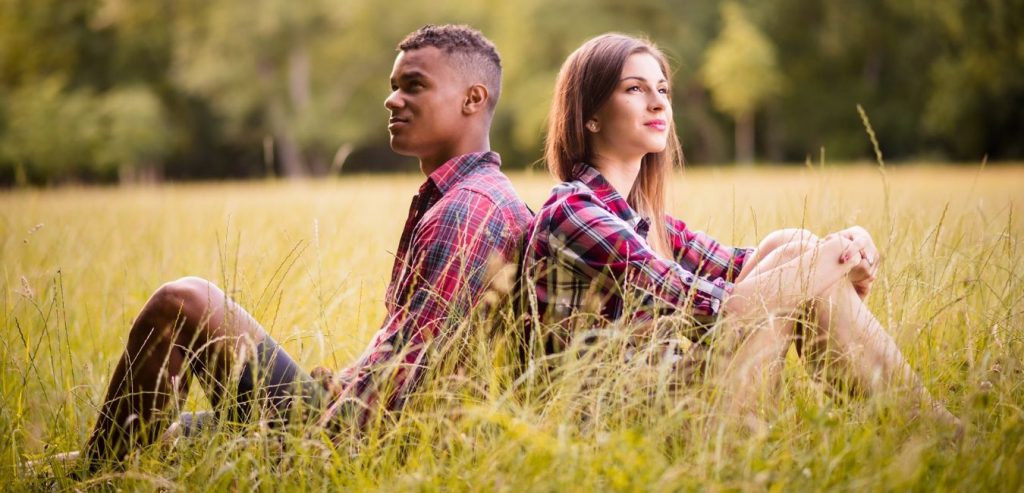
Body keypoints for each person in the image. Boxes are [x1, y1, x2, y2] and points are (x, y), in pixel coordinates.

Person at [81, 24, 532, 468]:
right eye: (394, 86)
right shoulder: (468, 196)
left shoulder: (469, 211)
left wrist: (309, 446)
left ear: (474, 99)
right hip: (346, 410)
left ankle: (90, 476)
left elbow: (408, 384)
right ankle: (90, 470)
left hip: (359, 448)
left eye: (414, 86)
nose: (392, 99)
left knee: (181, 303)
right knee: (177, 437)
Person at [523, 33, 958, 427]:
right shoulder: (576, 214)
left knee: (794, 246)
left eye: (662, 90)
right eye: (634, 89)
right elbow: (716, 307)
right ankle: (929, 427)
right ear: (590, 116)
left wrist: (841, 247)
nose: (658, 103)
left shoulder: (645, 221)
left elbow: (743, 266)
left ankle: (918, 422)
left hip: (668, 406)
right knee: (805, 264)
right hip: (623, 432)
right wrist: (832, 263)